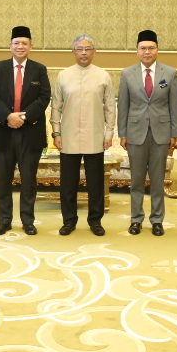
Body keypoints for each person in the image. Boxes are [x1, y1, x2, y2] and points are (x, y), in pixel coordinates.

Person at [0, 25, 51, 235]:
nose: (20, 46)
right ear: (10, 46)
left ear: (31, 46)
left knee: (29, 180)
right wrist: (8, 116)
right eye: (16, 43)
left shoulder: (39, 69)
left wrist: (23, 117)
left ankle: (27, 220)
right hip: (2, 131)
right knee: (3, 180)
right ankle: (4, 220)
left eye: (24, 43)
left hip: (30, 132)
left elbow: (44, 97)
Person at [50, 34, 115, 237]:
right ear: (73, 52)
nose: (84, 52)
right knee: (68, 184)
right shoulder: (63, 75)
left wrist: (109, 132)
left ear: (94, 52)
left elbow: (110, 107)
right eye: (80, 48)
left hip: (95, 135)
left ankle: (95, 221)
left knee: (95, 183)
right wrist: (56, 132)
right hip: (68, 136)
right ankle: (69, 221)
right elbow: (56, 107)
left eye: (88, 48)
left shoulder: (103, 76)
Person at [117, 30, 177, 236]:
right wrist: (123, 133)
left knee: (157, 178)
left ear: (157, 50)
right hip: (136, 133)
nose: (147, 51)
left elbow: (174, 105)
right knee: (136, 180)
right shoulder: (127, 73)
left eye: (151, 48)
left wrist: (174, 133)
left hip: (161, 133)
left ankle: (157, 220)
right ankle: (136, 219)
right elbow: (123, 106)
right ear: (137, 51)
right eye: (143, 48)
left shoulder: (169, 73)